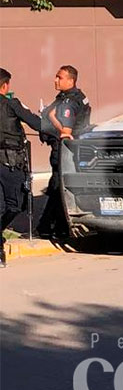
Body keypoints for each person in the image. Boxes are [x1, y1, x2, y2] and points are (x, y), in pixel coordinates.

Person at [37, 66, 91, 239]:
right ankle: (52, 226)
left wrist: (51, 118)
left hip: (63, 150)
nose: (56, 80)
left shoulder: (69, 101)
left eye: (59, 77)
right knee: (57, 187)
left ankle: (53, 227)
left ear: (71, 80)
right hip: (70, 150)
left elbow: (65, 131)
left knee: (58, 188)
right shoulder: (74, 97)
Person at [1, 68, 42, 267]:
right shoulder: (12, 104)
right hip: (10, 164)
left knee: (5, 206)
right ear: (5, 86)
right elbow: (36, 123)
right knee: (14, 205)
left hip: (8, 162)